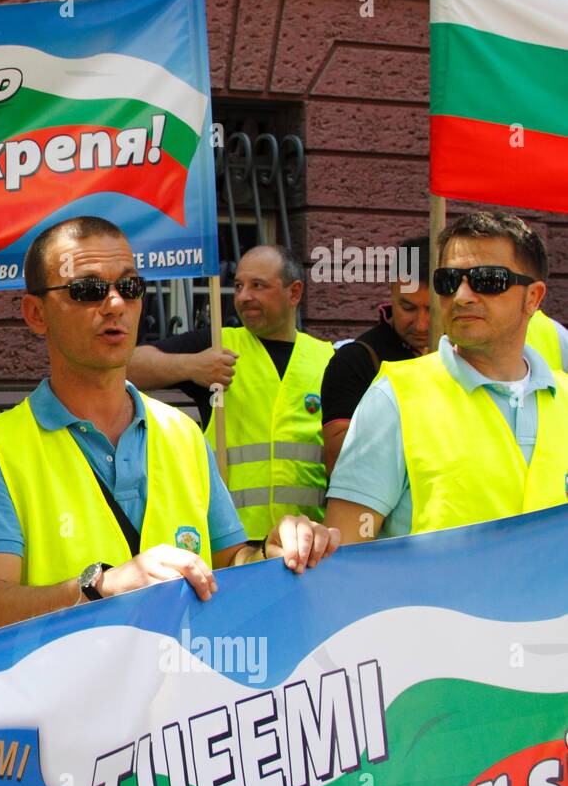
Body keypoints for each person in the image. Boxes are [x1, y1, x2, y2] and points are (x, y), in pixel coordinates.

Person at [0, 217, 339, 634]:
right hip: (69, 696)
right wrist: (101, 586)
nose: (115, 303)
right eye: (88, 290)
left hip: (187, 692)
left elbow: (230, 563)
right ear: (36, 313)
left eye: (130, 287)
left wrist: (273, 549)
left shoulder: (181, 432)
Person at [325, 211, 568, 542]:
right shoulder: (394, 397)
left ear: (534, 297)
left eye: (488, 280)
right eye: (449, 280)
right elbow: (346, 548)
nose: (462, 296)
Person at [127, 244, 335, 539]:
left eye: (257, 285)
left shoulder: (326, 359)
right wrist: (191, 366)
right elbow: (127, 365)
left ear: (294, 292)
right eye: (238, 285)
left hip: (307, 541)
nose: (243, 296)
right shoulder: (217, 344)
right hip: (230, 542)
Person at [320, 236, 429, 475]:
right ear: (391, 289)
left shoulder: (468, 354)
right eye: (408, 308)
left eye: (433, 309)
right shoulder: (355, 360)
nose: (421, 325)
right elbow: (338, 462)